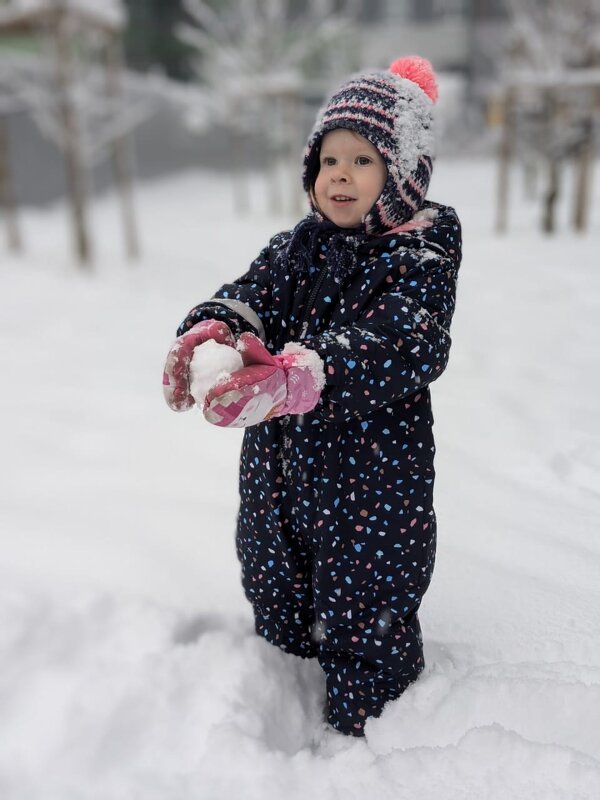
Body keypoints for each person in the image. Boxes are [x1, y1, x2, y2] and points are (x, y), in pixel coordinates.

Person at [162, 56, 462, 736]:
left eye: (363, 159)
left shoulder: (420, 257)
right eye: (329, 159)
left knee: (366, 604)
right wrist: (215, 331)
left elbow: (408, 340)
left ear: (404, 174)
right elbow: (250, 296)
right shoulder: (294, 247)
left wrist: (305, 372)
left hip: (373, 483)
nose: (340, 175)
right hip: (280, 472)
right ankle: (279, 686)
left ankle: (370, 729)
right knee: (276, 578)